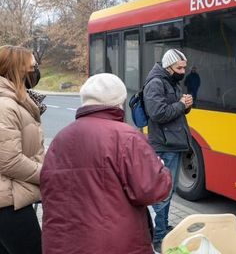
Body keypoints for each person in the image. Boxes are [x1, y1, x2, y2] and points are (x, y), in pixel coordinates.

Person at [40, 73, 172, 254]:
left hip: (63, 244)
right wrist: (161, 169)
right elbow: (151, 190)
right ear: (119, 101)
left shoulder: (60, 138)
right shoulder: (126, 137)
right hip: (114, 245)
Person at [144, 48, 194, 252]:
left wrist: (186, 105)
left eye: (184, 67)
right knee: (164, 193)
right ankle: (159, 237)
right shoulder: (156, 83)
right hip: (164, 146)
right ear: (168, 67)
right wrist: (182, 105)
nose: (183, 71)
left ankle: (162, 228)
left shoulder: (169, 80)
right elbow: (158, 113)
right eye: (179, 67)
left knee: (168, 190)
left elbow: (173, 108)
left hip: (171, 143)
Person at [0, 45, 44, 254]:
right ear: (17, 70)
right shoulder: (5, 105)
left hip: (11, 198)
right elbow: (8, 160)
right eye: (32, 67)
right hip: (8, 203)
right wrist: (46, 174)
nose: (36, 71)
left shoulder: (16, 102)